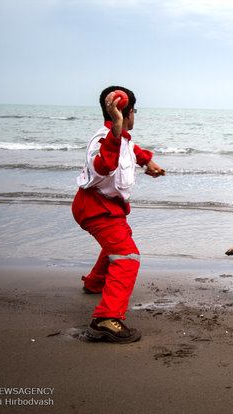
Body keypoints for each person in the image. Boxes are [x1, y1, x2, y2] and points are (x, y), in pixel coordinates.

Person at [72, 86, 163, 343]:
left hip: (107, 208)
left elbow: (130, 149)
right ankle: (105, 320)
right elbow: (104, 165)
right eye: (134, 112)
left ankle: (94, 283)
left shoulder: (120, 137)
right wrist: (117, 125)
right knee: (127, 258)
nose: (135, 116)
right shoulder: (104, 139)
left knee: (119, 241)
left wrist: (147, 161)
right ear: (128, 112)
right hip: (96, 207)